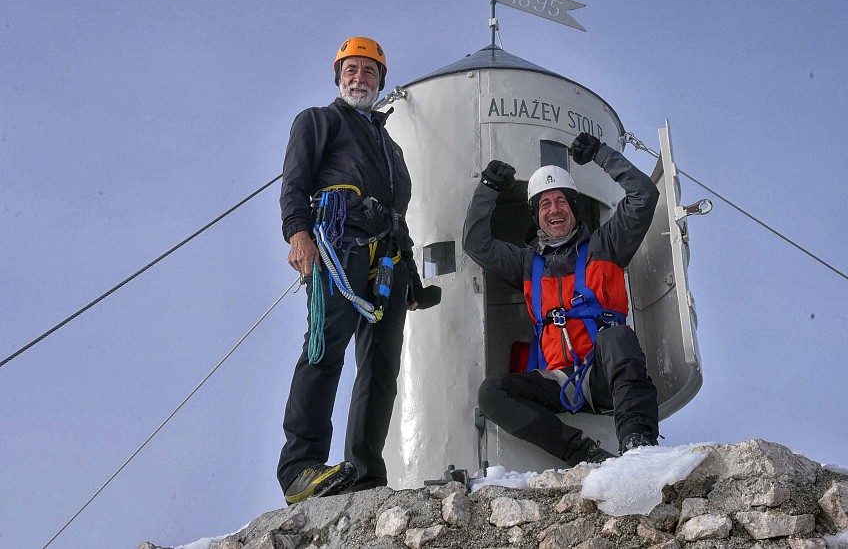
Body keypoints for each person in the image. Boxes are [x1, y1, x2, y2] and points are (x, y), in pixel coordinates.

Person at [277, 36, 440, 505]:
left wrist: (410, 277)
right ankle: (300, 467)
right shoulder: (318, 121)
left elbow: (398, 215)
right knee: (324, 348)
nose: (359, 78)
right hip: (340, 245)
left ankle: (366, 473)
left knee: (382, 367)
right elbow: (295, 182)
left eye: (369, 71)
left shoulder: (393, 151)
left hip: (388, 261)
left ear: (381, 81)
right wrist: (297, 233)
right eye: (351, 69)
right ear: (338, 76)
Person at [463, 132, 661, 467]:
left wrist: (600, 154)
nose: (554, 209)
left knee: (616, 336)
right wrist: (488, 188)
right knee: (491, 392)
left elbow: (644, 194)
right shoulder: (527, 264)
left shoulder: (606, 245)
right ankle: (584, 454)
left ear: (573, 209)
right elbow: (476, 244)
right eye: (544, 204)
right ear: (536, 216)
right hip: (558, 381)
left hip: (605, 375)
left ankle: (637, 443)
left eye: (561, 202)